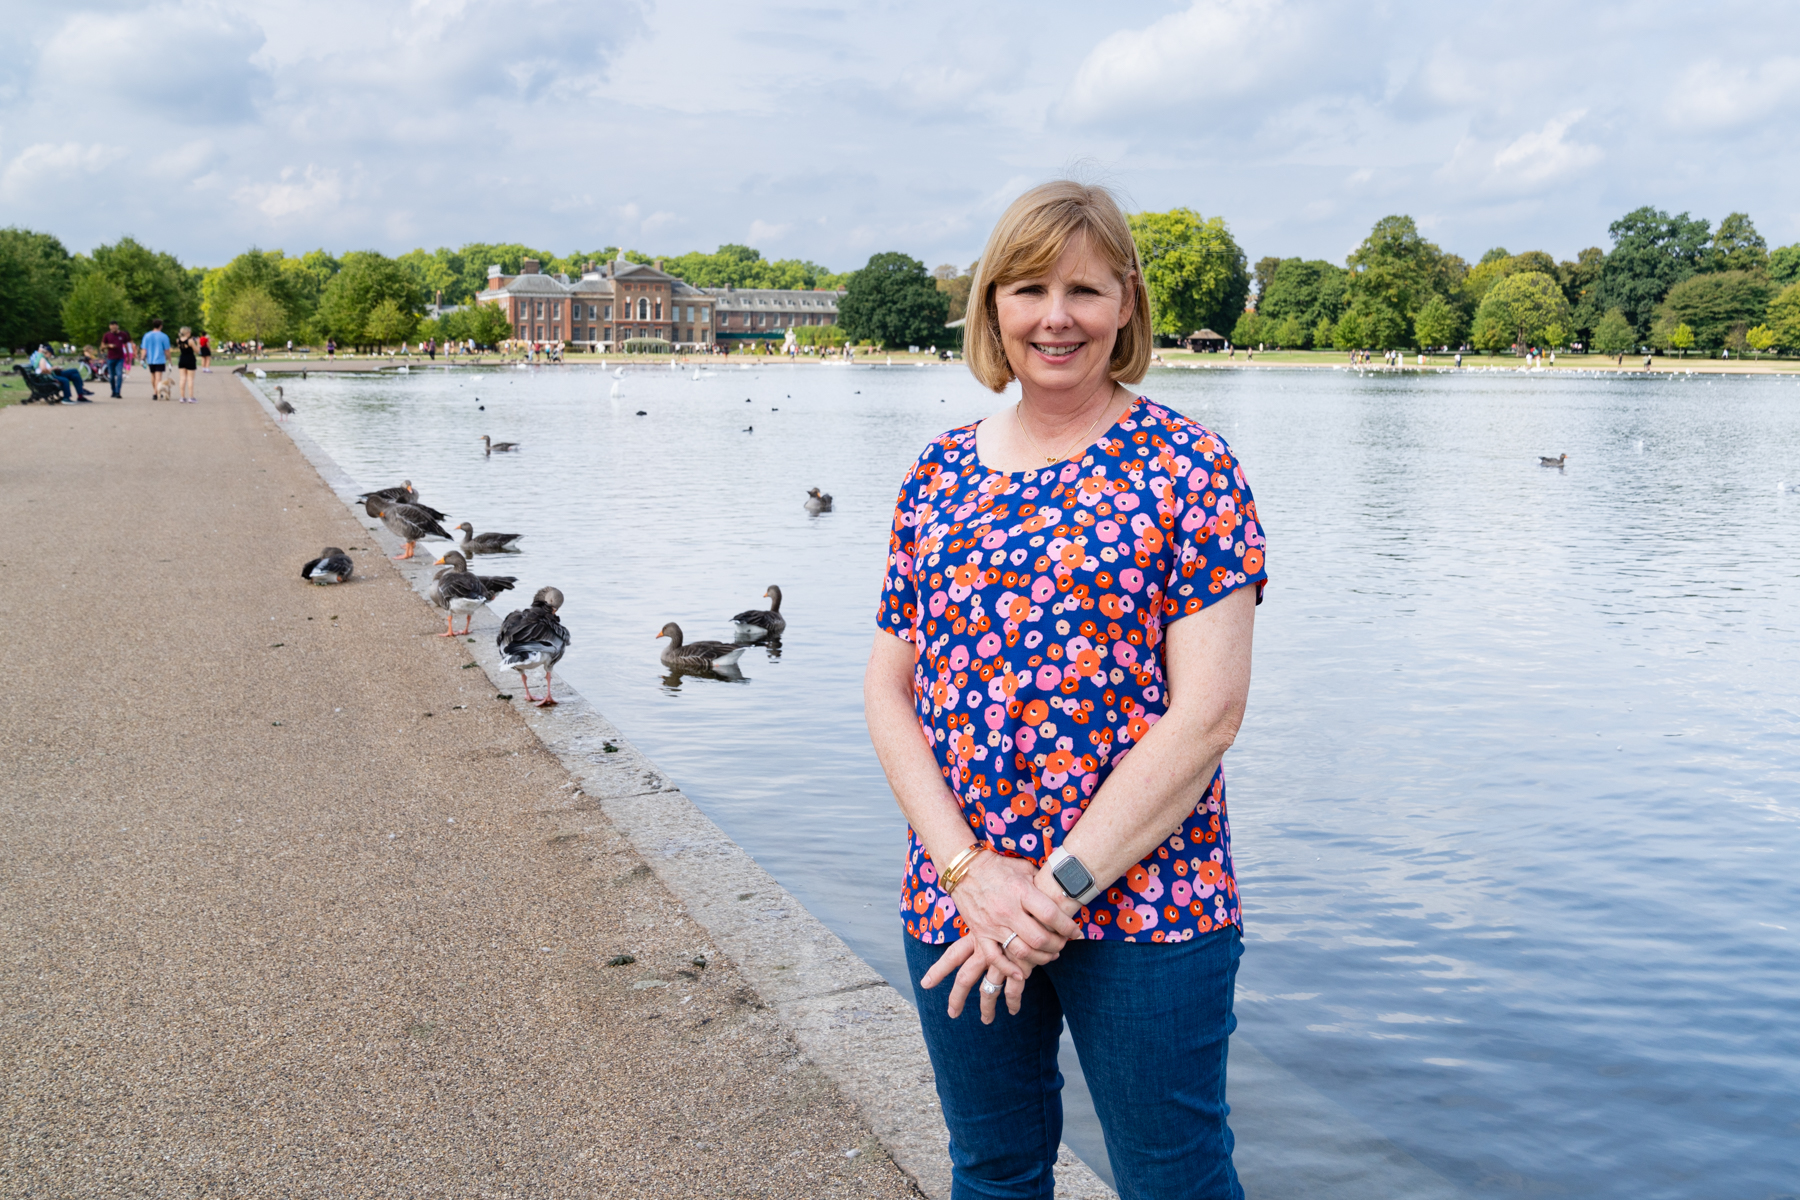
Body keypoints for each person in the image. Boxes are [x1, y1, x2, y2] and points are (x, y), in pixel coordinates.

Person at [865, 180, 1265, 1200]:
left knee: (1172, 1178)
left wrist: (1051, 891)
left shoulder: (1189, 466)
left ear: (1126, 303)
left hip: (1148, 906)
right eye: (1028, 288)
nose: (1055, 317)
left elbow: (1209, 711)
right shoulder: (937, 475)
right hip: (960, 900)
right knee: (994, 1170)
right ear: (992, 305)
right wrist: (970, 875)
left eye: (1084, 290)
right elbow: (889, 694)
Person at [30, 344, 95, 402]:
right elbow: (43, 370)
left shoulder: (43, 358)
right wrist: (54, 368)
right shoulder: (42, 358)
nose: (51, 356)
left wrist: (56, 368)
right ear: (48, 352)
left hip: (52, 374)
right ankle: (78, 392)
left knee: (75, 376)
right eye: (51, 354)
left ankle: (80, 395)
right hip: (47, 377)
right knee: (73, 371)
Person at [141, 319, 171, 398]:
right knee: (158, 377)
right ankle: (156, 393)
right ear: (161, 326)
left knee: (153, 376)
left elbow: (144, 349)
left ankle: (155, 391)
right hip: (160, 359)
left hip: (150, 359)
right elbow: (167, 350)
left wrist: (142, 359)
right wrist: (170, 360)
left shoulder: (147, 335)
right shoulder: (164, 336)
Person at [101, 320, 130, 397]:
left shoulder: (123, 334)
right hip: (110, 358)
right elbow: (102, 346)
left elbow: (126, 346)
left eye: (115, 326)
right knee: (111, 377)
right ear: (110, 327)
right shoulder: (107, 335)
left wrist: (127, 356)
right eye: (112, 327)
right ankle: (113, 390)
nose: (113, 328)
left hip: (120, 358)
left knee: (119, 375)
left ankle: (118, 392)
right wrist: (108, 346)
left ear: (117, 326)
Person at [175, 327, 199, 402]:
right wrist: (198, 343)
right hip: (190, 359)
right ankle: (191, 397)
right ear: (188, 333)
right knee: (190, 379)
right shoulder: (190, 341)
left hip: (182, 359)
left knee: (182, 378)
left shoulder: (178, 340)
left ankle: (182, 397)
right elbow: (197, 351)